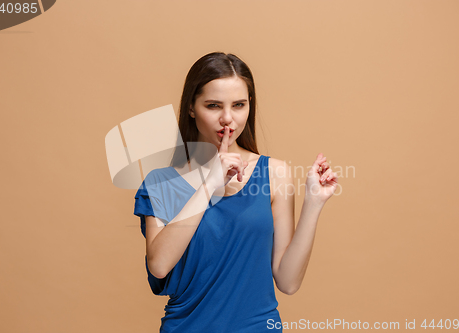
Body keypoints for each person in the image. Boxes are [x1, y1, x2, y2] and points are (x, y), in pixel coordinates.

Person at [134, 52, 338, 333]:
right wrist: (208, 183)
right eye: (213, 105)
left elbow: (288, 282)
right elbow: (159, 265)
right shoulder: (161, 183)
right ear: (192, 107)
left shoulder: (274, 173)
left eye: (239, 105)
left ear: (249, 106)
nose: (227, 118)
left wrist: (313, 203)